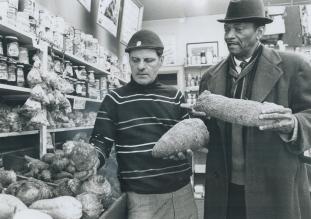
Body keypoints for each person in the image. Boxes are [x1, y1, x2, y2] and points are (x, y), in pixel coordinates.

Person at [197, 0, 311, 219]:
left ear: (259, 31)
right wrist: (194, 134)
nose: (229, 35)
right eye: (226, 28)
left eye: (238, 29)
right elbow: (207, 130)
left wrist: (294, 124)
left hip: (275, 188)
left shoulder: (294, 67)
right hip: (225, 191)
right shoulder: (209, 78)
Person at [90, 29, 198, 219]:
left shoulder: (175, 97)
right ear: (129, 62)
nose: (141, 66)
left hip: (180, 193)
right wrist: (88, 163)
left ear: (160, 61)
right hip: (139, 199)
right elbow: (100, 143)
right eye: (135, 60)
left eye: (148, 60)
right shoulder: (114, 100)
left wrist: (189, 146)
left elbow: (190, 136)